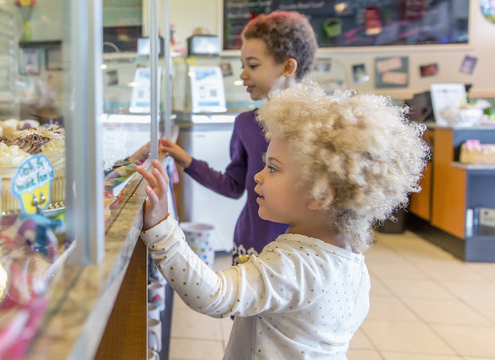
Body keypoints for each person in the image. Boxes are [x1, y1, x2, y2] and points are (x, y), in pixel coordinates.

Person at [138, 85, 429, 359]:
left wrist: (162, 227)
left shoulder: (293, 264)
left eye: (273, 168)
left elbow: (213, 294)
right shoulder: (352, 261)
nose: (258, 176)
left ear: (320, 194)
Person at [159, 11, 318, 265]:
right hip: (252, 245)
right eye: (242, 65)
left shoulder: (322, 126)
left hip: (303, 251)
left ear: (288, 67)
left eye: (253, 65)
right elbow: (233, 186)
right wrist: (186, 160)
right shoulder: (246, 124)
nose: (243, 74)